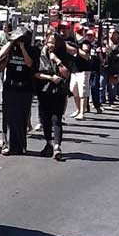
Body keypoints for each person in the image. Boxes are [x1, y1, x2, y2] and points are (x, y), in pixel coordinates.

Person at [0, 27, 38, 156]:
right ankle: (7, 144)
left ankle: (20, 146)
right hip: (10, 86)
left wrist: (22, 48)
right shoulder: (10, 48)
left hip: (25, 88)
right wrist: (10, 42)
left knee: (22, 118)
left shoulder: (31, 48)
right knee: (8, 117)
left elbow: (29, 63)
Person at [35, 32, 70, 161]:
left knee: (57, 119)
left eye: (53, 43)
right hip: (44, 90)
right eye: (49, 42)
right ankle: (48, 143)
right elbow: (36, 73)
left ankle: (57, 147)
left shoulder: (62, 55)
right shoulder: (41, 54)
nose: (51, 45)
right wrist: (50, 77)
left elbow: (66, 74)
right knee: (45, 119)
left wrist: (57, 60)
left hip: (59, 91)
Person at [103, 29, 119, 105]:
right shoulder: (104, 43)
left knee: (113, 84)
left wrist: (112, 55)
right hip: (105, 66)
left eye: (114, 33)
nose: (112, 34)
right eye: (110, 32)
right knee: (102, 83)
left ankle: (112, 98)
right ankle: (102, 99)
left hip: (115, 66)